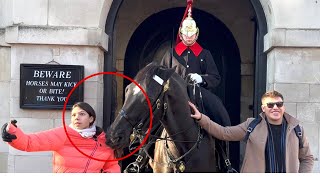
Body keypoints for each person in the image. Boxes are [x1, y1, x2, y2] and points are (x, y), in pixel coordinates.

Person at [189, 90, 314, 173]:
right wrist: (201, 118)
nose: (275, 107)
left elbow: (307, 158)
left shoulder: (297, 129)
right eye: (270, 105)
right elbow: (224, 133)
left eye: (279, 104)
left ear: (283, 107)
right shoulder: (252, 125)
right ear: (263, 108)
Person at [159, 3, 230, 127]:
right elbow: (161, 75)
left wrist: (201, 78)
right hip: (174, 95)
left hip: (199, 95)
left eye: (192, 35)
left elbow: (215, 78)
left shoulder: (205, 54)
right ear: (181, 34)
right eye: (186, 35)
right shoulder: (170, 54)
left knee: (218, 113)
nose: (189, 38)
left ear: (196, 34)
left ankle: (223, 143)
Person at [1, 102, 120, 173]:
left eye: (81, 114)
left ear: (91, 118)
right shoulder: (62, 134)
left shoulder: (103, 140)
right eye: (73, 115)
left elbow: (111, 167)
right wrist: (12, 132)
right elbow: (29, 142)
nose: (76, 117)